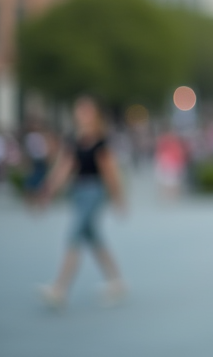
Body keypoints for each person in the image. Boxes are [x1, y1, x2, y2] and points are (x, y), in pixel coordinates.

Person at [36, 96, 127, 308]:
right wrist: (48, 188)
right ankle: (116, 280)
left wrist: (118, 197)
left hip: (94, 191)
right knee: (93, 237)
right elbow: (65, 167)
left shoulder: (100, 140)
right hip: (78, 192)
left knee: (74, 235)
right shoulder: (74, 139)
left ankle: (60, 288)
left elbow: (110, 171)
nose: (82, 115)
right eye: (80, 110)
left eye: (86, 111)